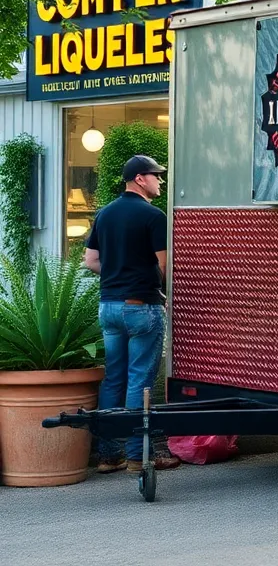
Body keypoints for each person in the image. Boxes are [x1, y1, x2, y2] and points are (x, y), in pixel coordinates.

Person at [83, 155, 181, 473]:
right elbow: (164, 264)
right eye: (156, 176)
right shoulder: (152, 215)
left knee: (114, 378)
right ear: (140, 179)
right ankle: (139, 456)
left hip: (108, 307)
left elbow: (90, 261)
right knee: (140, 381)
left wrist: (117, 274)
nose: (160, 182)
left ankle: (109, 455)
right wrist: (158, 287)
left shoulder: (104, 214)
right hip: (141, 307)